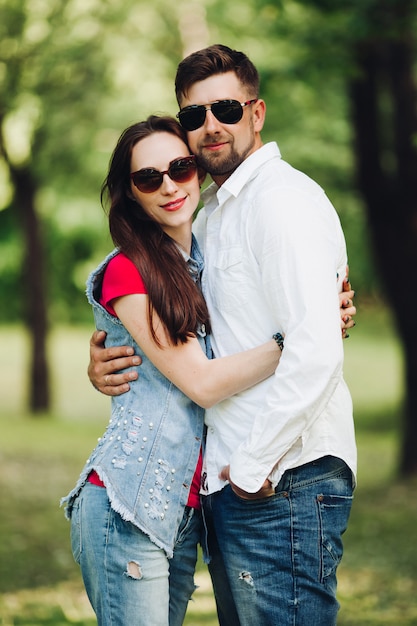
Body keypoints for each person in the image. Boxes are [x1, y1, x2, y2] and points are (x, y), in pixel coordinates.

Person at [87, 45, 357, 626]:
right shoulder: (207, 220)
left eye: (227, 109)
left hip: (281, 476)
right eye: (194, 115)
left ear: (256, 113)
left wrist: (255, 469)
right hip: (221, 488)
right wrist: (110, 357)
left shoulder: (281, 202)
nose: (211, 127)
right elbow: (196, 352)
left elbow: (313, 352)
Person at [62, 115, 284, 626]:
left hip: (185, 515)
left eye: (180, 168)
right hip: (127, 506)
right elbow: (202, 383)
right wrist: (295, 339)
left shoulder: (203, 257)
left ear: (199, 171)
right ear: (131, 194)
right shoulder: (128, 268)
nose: (169, 186)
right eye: (148, 178)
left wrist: (318, 305)